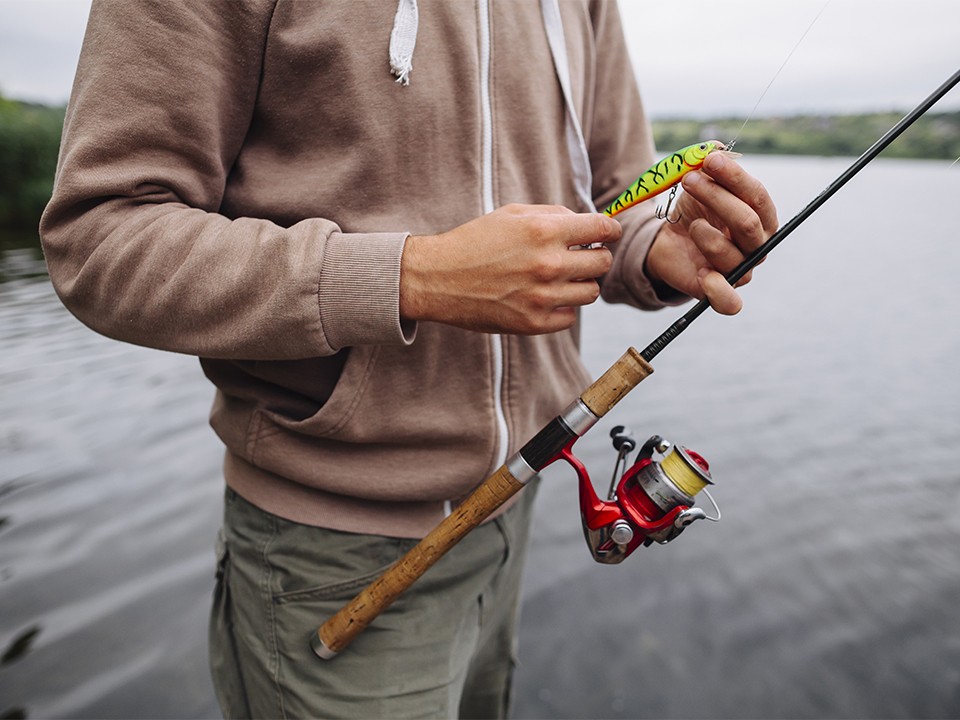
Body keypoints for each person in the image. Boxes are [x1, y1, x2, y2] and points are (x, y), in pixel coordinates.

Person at [40, 1, 779, 717]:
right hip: (327, 554)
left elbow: (612, 198)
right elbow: (103, 238)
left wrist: (655, 252)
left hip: (513, 514)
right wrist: (413, 276)